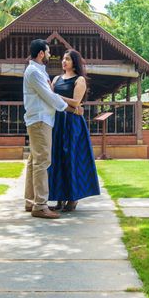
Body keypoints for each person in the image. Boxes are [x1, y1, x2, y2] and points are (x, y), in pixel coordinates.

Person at [23, 39, 83, 219]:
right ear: (41, 53)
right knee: (42, 161)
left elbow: (50, 95)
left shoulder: (39, 71)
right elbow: (49, 96)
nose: (51, 55)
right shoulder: (34, 72)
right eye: (48, 52)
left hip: (42, 119)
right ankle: (40, 205)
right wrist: (71, 109)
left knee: (34, 160)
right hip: (40, 120)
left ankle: (31, 201)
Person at [49, 49, 100, 211]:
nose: (64, 61)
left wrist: (56, 97)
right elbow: (49, 98)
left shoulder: (80, 80)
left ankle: (73, 198)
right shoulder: (56, 79)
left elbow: (76, 102)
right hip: (57, 122)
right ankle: (58, 197)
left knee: (71, 158)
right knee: (56, 159)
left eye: (68, 59)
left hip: (72, 124)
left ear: (74, 63)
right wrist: (54, 98)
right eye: (63, 59)